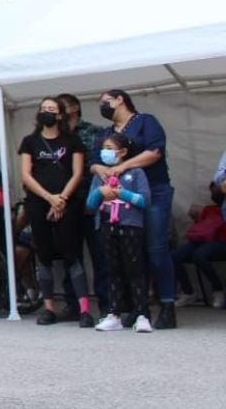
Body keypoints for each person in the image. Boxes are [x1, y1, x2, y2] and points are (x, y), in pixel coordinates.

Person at [90, 89, 177, 329]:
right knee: (128, 252)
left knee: (156, 248)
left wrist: (123, 166)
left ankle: (168, 304)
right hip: (119, 197)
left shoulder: (145, 122)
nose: (103, 106)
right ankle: (138, 307)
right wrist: (100, 170)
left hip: (153, 190)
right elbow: (94, 162)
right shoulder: (106, 133)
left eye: (106, 102)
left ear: (121, 100)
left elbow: (155, 152)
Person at [18, 96, 91, 327]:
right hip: (39, 204)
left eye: (52, 109)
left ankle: (85, 309)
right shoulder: (30, 142)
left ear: (60, 115)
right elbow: (26, 175)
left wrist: (61, 200)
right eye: (43, 109)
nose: (47, 112)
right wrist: (49, 198)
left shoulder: (73, 141)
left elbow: (77, 173)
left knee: (72, 255)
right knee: (44, 256)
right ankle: (49, 308)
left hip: (68, 204)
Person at [87, 133, 153, 333]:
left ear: (123, 152)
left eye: (110, 148)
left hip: (131, 225)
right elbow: (90, 205)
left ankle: (141, 313)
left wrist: (121, 193)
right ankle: (114, 313)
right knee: (112, 270)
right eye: (103, 148)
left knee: (135, 269)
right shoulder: (102, 176)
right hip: (107, 225)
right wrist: (101, 192)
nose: (105, 152)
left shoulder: (136, 173)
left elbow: (145, 201)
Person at [57, 92, 109, 316]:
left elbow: (97, 163)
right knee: (70, 254)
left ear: (75, 108)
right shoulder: (54, 136)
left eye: (63, 107)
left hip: (91, 199)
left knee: (100, 254)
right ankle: (74, 304)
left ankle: (108, 304)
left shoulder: (93, 132)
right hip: (66, 202)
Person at [171, 179, 226, 309]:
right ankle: (188, 292)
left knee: (199, 255)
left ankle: (218, 290)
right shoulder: (208, 209)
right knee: (174, 256)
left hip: (221, 242)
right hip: (203, 241)